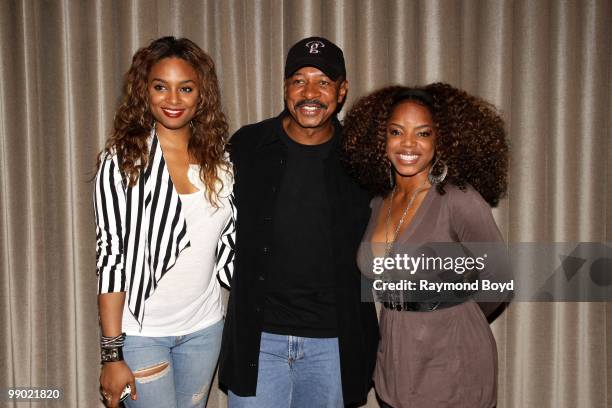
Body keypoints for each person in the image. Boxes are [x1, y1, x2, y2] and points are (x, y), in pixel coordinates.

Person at [219, 36, 379, 408]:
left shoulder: (363, 155)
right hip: (259, 340)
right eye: (299, 81)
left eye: (323, 82)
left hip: (334, 345)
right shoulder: (247, 146)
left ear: (342, 91)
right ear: (285, 88)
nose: (310, 93)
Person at [342, 84, 509, 408]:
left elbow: (500, 280)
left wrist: (454, 312)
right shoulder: (379, 203)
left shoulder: (458, 199)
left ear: (440, 141)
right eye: (396, 131)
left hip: (452, 364)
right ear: (382, 139)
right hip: (396, 359)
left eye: (423, 133)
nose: (408, 144)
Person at [94, 36, 235, 408]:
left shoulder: (221, 163)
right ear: (145, 91)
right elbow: (111, 257)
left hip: (206, 329)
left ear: (201, 93)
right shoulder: (124, 162)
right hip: (142, 334)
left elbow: (233, 246)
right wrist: (112, 354)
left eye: (185, 88)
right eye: (161, 87)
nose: (173, 100)